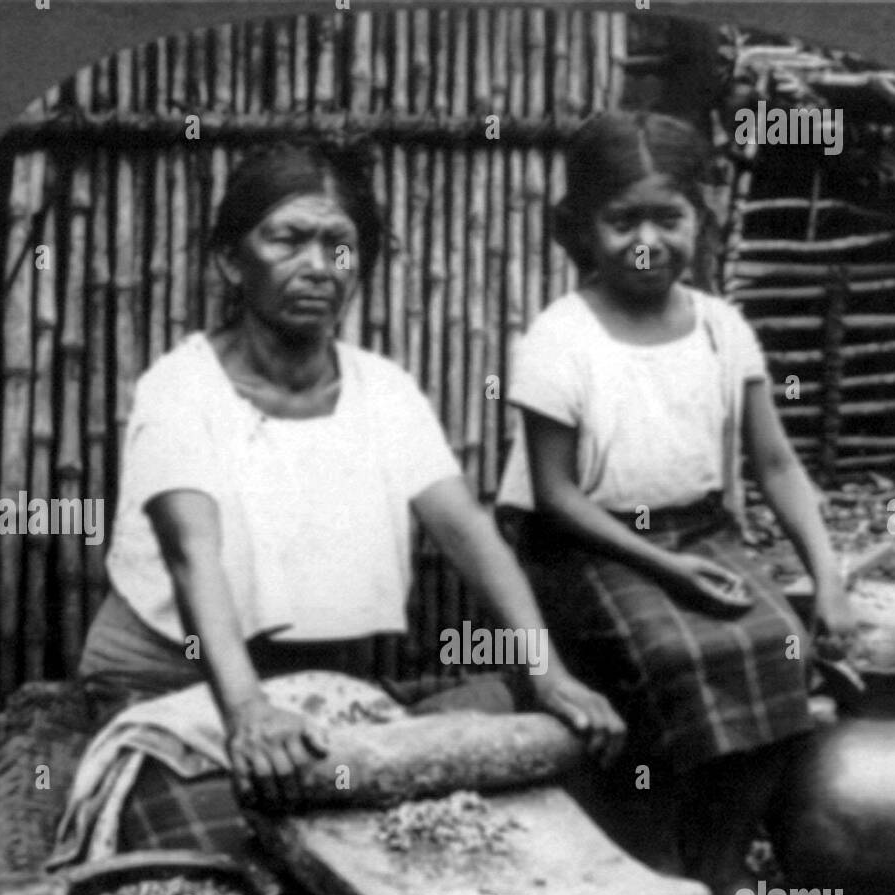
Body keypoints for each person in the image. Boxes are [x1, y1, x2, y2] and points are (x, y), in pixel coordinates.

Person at [77, 140, 623, 842]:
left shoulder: (384, 393)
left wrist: (549, 674)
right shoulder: (181, 391)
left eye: (338, 244)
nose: (316, 266)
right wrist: (245, 710)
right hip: (175, 686)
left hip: (321, 691)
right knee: (236, 850)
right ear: (229, 260)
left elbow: (469, 533)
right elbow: (193, 557)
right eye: (287, 239)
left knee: (433, 820)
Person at [496, 111, 857, 895]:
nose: (647, 241)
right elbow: (552, 495)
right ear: (581, 229)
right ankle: (655, 866)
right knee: (677, 655)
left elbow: (774, 465)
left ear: (705, 221)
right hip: (581, 541)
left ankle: (721, 870)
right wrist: (668, 568)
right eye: (623, 221)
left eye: (671, 217)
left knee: (783, 647)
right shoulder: (561, 338)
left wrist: (829, 579)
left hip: (698, 532)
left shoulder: (723, 328)